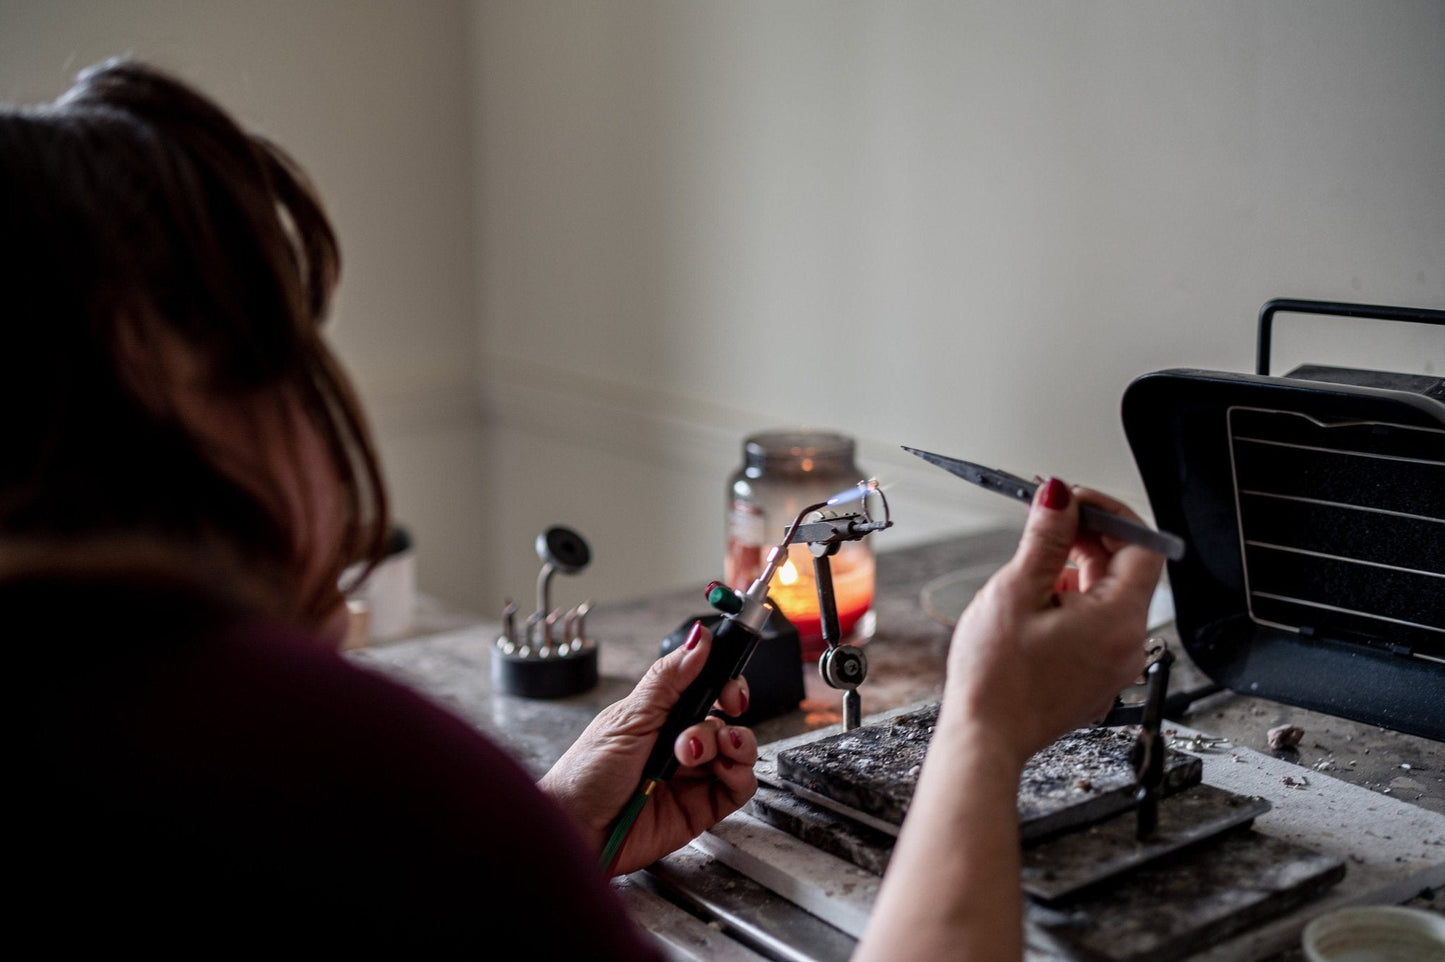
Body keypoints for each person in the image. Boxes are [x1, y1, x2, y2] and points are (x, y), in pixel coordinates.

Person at [3, 58, 1162, 959]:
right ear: (169, 388)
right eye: (288, 344)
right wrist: (985, 728)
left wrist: (544, 832)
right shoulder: (327, 771)